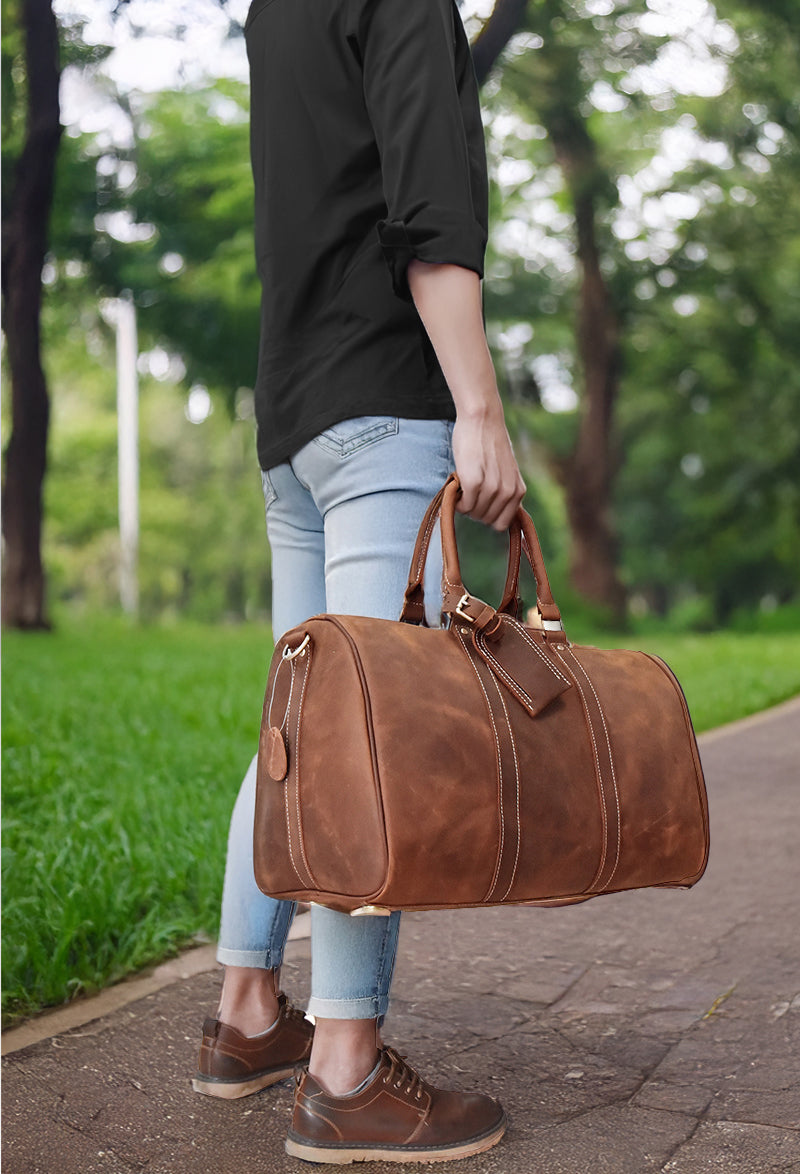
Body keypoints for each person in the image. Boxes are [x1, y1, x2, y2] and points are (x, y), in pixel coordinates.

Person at [194, 0, 526, 1162]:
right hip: (383, 406)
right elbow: (428, 214)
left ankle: (246, 1013)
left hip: (293, 416)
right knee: (364, 738)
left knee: (300, 728)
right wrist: (478, 408)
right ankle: (343, 1069)